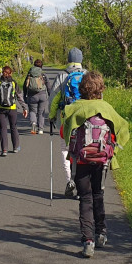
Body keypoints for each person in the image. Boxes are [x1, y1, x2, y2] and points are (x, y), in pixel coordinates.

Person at [62, 71, 129, 258]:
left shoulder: (75, 108)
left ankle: (87, 241)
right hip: (102, 161)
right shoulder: (107, 108)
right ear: (101, 88)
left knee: (85, 198)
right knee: (98, 194)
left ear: (82, 88)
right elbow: (123, 129)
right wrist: (115, 148)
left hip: (82, 160)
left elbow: (64, 133)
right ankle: (101, 233)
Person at [49, 47, 87, 197]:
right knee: (82, 152)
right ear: (81, 60)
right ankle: (82, 185)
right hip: (85, 122)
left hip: (65, 123)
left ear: (68, 59)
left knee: (66, 152)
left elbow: (53, 99)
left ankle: (70, 181)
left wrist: (51, 117)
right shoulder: (87, 75)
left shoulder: (62, 76)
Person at [0, 65, 28, 156]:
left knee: (3, 128)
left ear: (2, 73)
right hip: (12, 108)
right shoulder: (13, 83)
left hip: (0, 109)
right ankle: (15, 147)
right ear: (10, 73)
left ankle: (4, 150)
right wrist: (24, 108)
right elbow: (19, 96)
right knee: (13, 127)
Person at [23, 58, 50, 135]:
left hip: (32, 95)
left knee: (32, 111)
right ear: (41, 66)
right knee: (41, 112)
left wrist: (25, 96)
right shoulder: (43, 74)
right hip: (42, 95)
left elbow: (25, 86)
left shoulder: (29, 74)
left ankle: (33, 123)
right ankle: (41, 129)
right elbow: (48, 85)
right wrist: (49, 94)